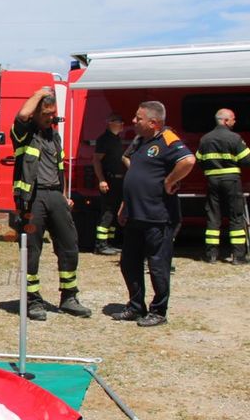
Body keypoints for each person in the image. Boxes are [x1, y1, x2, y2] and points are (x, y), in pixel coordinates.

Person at [11, 87, 92, 321]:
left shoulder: (54, 136)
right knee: (32, 251)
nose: (50, 117)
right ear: (36, 113)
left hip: (55, 196)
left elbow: (59, 169)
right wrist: (38, 94)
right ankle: (33, 301)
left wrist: (64, 196)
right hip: (33, 199)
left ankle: (69, 297)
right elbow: (22, 115)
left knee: (69, 246)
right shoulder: (24, 133)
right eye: (45, 113)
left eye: (52, 113)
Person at [113, 101, 195, 327]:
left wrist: (169, 181)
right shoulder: (141, 140)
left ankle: (158, 311)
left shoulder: (167, 138)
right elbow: (134, 170)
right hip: (135, 214)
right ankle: (135, 306)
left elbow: (188, 160)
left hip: (157, 216)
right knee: (129, 263)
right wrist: (125, 204)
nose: (133, 121)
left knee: (158, 266)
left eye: (138, 118)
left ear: (153, 122)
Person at [195, 108, 250, 263]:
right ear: (225, 121)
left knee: (213, 217)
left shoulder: (205, 139)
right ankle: (238, 256)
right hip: (232, 181)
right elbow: (247, 160)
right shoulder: (235, 138)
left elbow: (198, 160)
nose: (235, 121)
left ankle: (211, 255)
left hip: (212, 181)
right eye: (233, 118)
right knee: (236, 216)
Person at [92, 113, 126, 255]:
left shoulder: (116, 139)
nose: (122, 124)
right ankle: (100, 244)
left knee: (114, 211)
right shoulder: (104, 139)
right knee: (108, 211)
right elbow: (96, 160)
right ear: (110, 123)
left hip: (118, 181)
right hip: (109, 180)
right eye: (119, 122)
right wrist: (102, 180)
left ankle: (110, 242)